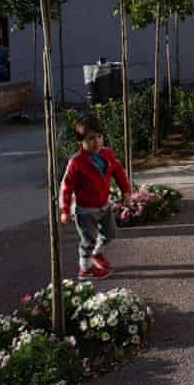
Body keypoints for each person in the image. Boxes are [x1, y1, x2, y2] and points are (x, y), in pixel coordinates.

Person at [60, 115, 131, 280]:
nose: (97, 141)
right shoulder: (76, 162)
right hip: (85, 210)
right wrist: (65, 209)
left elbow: (119, 172)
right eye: (91, 138)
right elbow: (66, 187)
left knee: (110, 234)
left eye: (99, 136)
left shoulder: (107, 154)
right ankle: (85, 269)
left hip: (104, 206)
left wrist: (126, 191)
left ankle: (96, 254)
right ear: (81, 142)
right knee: (88, 240)